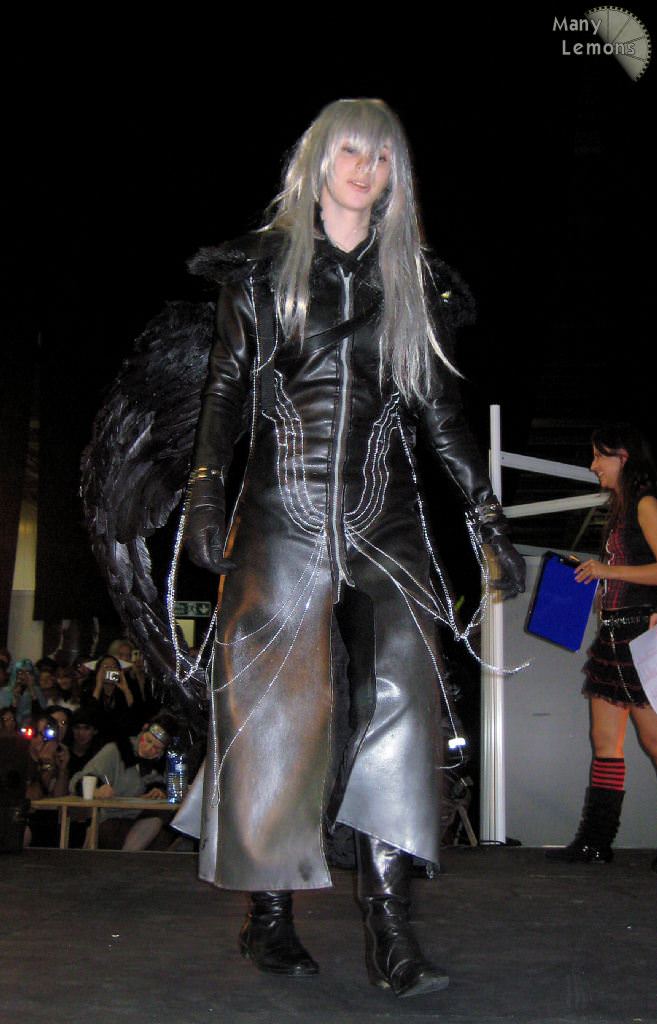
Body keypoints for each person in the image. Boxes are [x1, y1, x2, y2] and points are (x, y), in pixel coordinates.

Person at [181, 98, 525, 997]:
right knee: (273, 708)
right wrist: (206, 491)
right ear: (316, 161)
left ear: (394, 174)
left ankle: (390, 928)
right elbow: (224, 388)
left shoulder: (413, 281)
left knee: (403, 695)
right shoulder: (260, 270)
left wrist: (485, 514)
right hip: (280, 508)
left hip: (384, 512)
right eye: (349, 151)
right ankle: (268, 916)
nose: (364, 168)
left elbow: (439, 410)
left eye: (380, 156)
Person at [547, 424, 657, 864]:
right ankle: (596, 842)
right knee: (604, 740)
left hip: (641, 637)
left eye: (599, 456)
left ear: (623, 458)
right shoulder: (622, 509)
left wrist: (606, 572)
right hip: (613, 636)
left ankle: (596, 840)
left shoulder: (646, 503)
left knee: (653, 740)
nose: (593, 465)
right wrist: (595, 580)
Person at [69, 711, 179, 850]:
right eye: (148, 741)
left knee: (161, 828)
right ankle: (126, 856)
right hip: (110, 818)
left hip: (141, 819)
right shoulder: (117, 750)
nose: (148, 749)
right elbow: (77, 780)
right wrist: (96, 790)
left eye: (156, 748)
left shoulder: (161, 763)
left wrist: (159, 791)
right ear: (143, 730)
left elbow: (167, 788)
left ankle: (128, 855)